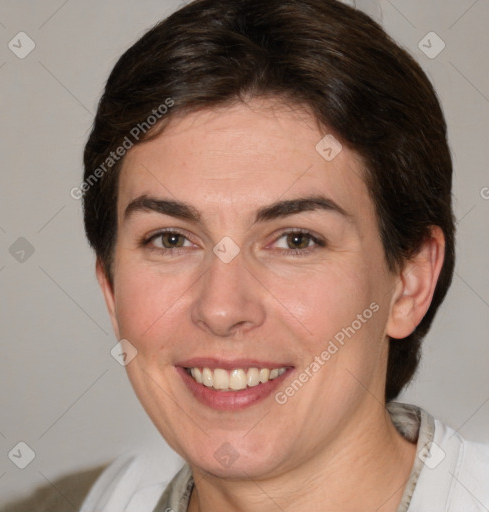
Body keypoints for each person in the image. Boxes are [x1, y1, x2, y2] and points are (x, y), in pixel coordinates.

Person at [78, 0, 489, 510]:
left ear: (409, 281)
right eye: (171, 239)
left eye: (296, 240)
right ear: (111, 287)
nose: (222, 308)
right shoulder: (119, 497)